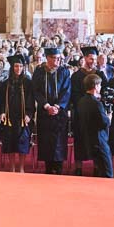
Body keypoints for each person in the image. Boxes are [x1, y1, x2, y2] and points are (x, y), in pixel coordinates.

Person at [30, 46, 71, 174]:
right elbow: (36, 91)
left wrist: (58, 106)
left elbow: (67, 91)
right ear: (47, 58)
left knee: (59, 141)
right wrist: (47, 106)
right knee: (46, 141)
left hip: (60, 113)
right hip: (45, 112)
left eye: (59, 58)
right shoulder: (39, 72)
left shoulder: (64, 72)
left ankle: (58, 168)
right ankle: (48, 168)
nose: (57, 61)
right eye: (54, 58)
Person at [0, 54, 34, 173]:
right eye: (16, 66)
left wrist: (29, 114)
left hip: (23, 117)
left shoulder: (28, 83)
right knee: (10, 143)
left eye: (20, 66)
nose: (18, 69)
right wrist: (2, 112)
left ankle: (21, 167)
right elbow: (2, 100)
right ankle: (12, 167)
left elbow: (31, 100)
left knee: (22, 143)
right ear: (12, 67)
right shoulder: (5, 84)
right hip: (9, 116)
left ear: (23, 67)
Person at [74, 73, 113, 178]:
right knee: (107, 172)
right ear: (95, 86)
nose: (100, 87)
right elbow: (105, 122)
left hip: (89, 140)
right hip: (99, 140)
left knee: (101, 170)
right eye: (99, 85)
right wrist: (109, 117)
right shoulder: (96, 103)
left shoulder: (81, 101)